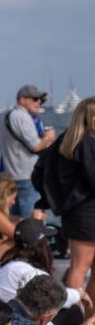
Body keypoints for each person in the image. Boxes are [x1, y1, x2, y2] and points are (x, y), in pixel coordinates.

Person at [0, 218, 85, 309]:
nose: (49, 244)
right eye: (47, 240)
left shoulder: (5, 262)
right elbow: (55, 299)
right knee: (73, 312)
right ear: (42, 245)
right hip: (6, 321)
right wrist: (79, 294)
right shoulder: (30, 272)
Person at [53, 98, 95, 304]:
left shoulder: (71, 142)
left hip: (78, 212)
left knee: (82, 267)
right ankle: (73, 320)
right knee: (80, 266)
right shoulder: (88, 143)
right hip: (86, 214)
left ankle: (87, 322)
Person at [0, 84, 57, 217]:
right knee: (32, 224)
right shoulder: (21, 117)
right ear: (22, 100)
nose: (39, 103)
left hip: (12, 176)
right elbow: (36, 146)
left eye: (40, 100)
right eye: (35, 99)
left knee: (15, 222)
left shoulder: (10, 116)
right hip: (26, 178)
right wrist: (49, 137)